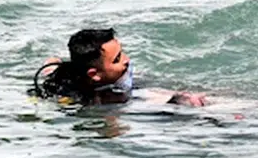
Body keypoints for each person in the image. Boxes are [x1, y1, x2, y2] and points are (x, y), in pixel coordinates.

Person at [32, 27, 207, 107]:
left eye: (122, 53)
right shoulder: (102, 98)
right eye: (117, 60)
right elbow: (144, 102)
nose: (127, 60)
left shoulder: (63, 70)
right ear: (95, 74)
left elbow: (50, 63)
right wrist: (175, 102)